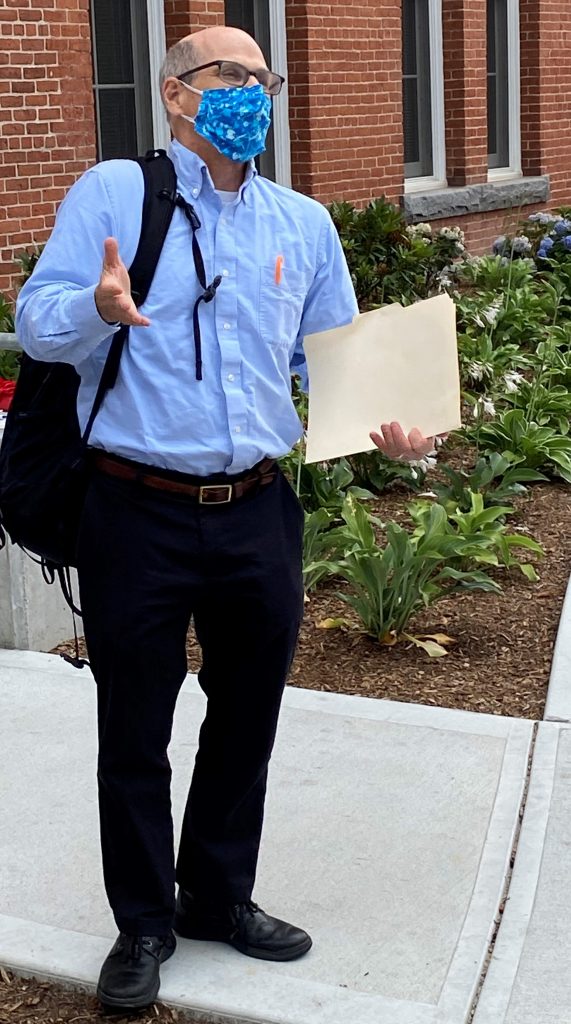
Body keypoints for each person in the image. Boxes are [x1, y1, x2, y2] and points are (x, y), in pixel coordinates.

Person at [16, 25, 438, 1012]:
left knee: (246, 717)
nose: (253, 92)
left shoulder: (301, 223)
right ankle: (143, 923)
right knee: (134, 729)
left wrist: (391, 427)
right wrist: (98, 307)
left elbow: (333, 363)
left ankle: (218, 896)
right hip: (135, 509)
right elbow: (37, 323)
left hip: (257, 510)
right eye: (229, 76)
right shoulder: (113, 197)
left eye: (265, 78)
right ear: (175, 94)